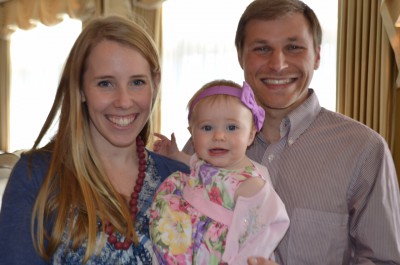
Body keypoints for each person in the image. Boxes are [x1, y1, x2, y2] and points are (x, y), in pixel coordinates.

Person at [153, 0, 400, 264]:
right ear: (240, 56)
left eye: (293, 47)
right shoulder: (205, 145)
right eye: (262, 49)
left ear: (317, 55)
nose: (278, 64)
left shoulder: (364, 151)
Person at [0, 15, 190, 265]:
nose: (123, 101)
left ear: (155, 84)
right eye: (105, 83)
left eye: (137, 82)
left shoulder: (181, 180)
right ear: (80, 88)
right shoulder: (36, 177)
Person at [150, 79, 289, 265]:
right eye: (207, 128)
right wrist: (174, 154)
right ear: (192, 132)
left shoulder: (251, 185)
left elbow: (267, 228)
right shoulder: (204, 163)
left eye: (232, 127)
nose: (218, 136)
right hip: (183, 240)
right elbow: (193, 163)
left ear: (251, 134)